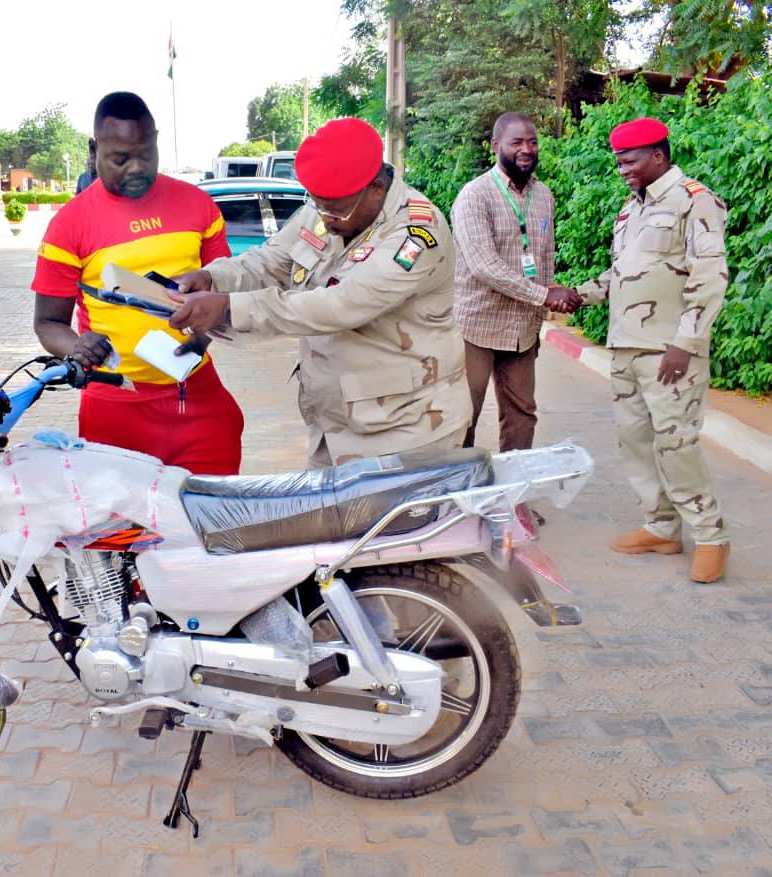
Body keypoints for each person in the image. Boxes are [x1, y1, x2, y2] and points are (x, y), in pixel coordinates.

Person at [170, 117, 472, 468]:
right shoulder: (328, 210)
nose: (325, 217)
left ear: (375, 188)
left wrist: (229, 308)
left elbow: (341, 304)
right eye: (317, 203)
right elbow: (272, 260)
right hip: (335, 426)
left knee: (393, 525)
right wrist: (212, 278)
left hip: (407, 431)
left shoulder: (416, 235)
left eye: (334, 207)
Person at [31, 91, 244, 475]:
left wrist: (200, 341)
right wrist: (76, 347)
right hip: (115, 406)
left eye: (145, 154)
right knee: (113, 533)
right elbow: (47, 322)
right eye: (120, 158)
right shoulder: (69, 224)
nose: (135, 168)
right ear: (95, 149)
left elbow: (224, 293)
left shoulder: (199, 206)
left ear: (157, 140)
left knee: (209, 523)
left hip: (196, 396)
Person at [565, 117, 730, 583]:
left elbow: (710, 276)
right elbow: (624, 276)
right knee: (635, 441)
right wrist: (576, 292)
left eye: (630, 160)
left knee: (676, 444)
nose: (622, 169)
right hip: (625, 348)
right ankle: (660, 527)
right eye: (618, 161)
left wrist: (687, 342)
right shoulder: (630, 209)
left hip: (668, 351)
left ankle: (712, 535)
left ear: (658, 155)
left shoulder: (694, 203)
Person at [451, 112, 582, 451]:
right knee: (463, 416)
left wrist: (549, 301)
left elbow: (545, 257)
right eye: (517, 142)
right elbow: (484, 266)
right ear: (496, 146)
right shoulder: (474, 195)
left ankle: (514, 497)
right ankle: (455, 498)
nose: (527, 149)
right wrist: (544, 295)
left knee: (522, 414)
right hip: (476, 327)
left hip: (522, 328)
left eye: (533, 142)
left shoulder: (544, 196)